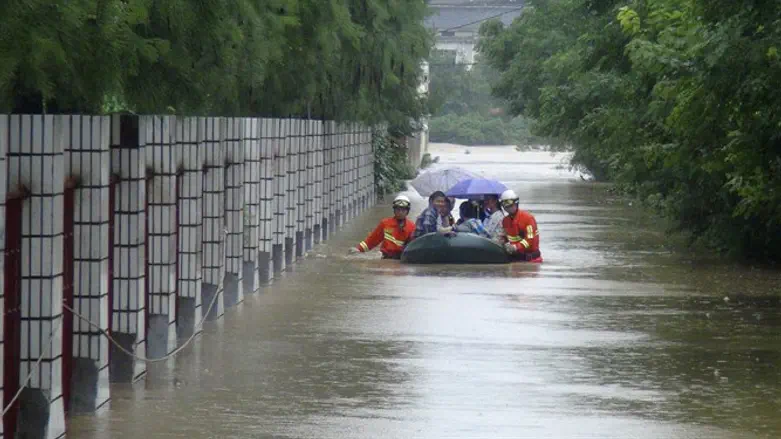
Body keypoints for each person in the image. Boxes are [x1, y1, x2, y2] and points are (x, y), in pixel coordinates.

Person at [349, 195, 416, 259]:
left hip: (401, 258)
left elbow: (413, 246)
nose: (400, 212)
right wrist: (358, 249)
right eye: (398, 209)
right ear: (394, 210)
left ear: (407, 211)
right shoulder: (385, 224)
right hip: (385, 257)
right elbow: (372, 240)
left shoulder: (412, 227)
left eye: (403, 210)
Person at [499, 189, 542, 262]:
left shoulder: (528, 218)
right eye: (505, 206)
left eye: (511, 205)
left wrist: (516, 247)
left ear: (516, 203)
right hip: (516, 259)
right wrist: (500, 242)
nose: (509, 208)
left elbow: (530, 240)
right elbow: (504, 238)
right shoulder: (505, 221)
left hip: (532, 261)